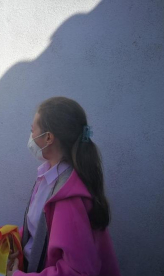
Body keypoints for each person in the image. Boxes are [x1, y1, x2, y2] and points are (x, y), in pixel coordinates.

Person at [7, 97, 120, 276]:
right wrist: (15, 242)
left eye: (32, 130)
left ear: (48, 137)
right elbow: (41, 230)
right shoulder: (47, 176)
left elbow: (78, 271)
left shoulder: (68, 196)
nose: (30, 136)